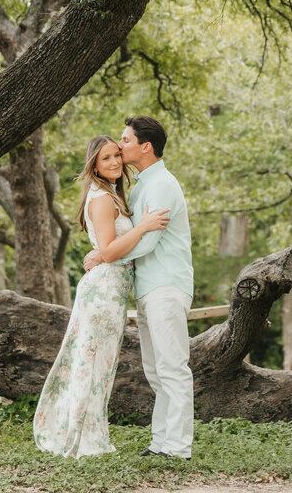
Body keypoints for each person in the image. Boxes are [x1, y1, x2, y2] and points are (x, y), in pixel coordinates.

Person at [33, 135, 169, 458]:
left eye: (116, 156)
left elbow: (106, 250)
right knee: (91, 365)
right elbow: (108, 252)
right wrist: (144, 226)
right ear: (94, 165)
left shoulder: (112, 195)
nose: (115, 162)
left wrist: (109, 247)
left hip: (113, 292)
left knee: (101, 368)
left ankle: (90, 433)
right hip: (103, 292)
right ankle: (83, 439)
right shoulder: (103, 199)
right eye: (105, 158)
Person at [84, 115, 194, 460]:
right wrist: (107, 251)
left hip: (167, 285)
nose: (120, 147)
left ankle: (178, 447)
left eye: (125, 140)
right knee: (156, 371)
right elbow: (134, 235)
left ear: (145, 147)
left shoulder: (161, 184)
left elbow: (147, 242)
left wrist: (105, 256)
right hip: (148, 288)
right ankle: (161, 442)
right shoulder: (140, 185)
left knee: (172, 367)